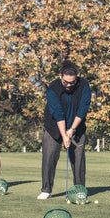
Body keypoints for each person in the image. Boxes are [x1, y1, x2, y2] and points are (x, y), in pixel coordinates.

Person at [37, 61, 91, 200]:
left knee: (78, 160)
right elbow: (58, 113)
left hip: (76, 127)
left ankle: (79, 190)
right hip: (54, 127)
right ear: (61, 77)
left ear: (76, 79)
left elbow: (83, 109)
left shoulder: (84, 85)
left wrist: (72, 129)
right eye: (66, 82)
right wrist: (64, 136)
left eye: (72, 82)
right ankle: (46, 190)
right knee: (49, 157)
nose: (68, 85)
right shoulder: (53, 88)